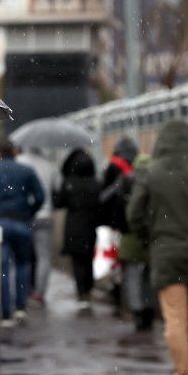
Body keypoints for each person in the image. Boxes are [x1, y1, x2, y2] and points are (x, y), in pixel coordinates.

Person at [127, 121, 188, 375]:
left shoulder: (152, 172)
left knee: (175, 318)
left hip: (167, 252)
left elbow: (134, 214)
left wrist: (152, 237)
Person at [0, 140, 44, 327]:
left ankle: (5, 314)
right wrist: (28, 211)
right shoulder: (27, 171)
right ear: (15, 151)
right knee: (22, 264)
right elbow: (40, 197)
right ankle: (21, 307)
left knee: (2, 269)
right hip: (21, 221)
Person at [54, 149, 101, 308]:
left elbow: (58, 202)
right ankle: (88, 288)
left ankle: (82, 292)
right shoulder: (96, 183)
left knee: (77, 261)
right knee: (88, 258)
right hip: (91, 225)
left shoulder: (69, 182)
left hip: (73, 225)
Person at [17, 146, 60, 304]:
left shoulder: (20, 162)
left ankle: (24, 290)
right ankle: (40, 292)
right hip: (45, 215)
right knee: (44, 256)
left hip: (25, 215)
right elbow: (57, 189)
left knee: (24, 256)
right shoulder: (50, 165)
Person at [101, 137, 138, 313]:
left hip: (113, 222)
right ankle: (120, 293)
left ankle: (116, 292)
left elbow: (104, 197)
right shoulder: (132, 170)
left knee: (114, 258)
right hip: (127, 224)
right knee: (123, 261)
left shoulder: (112, 167)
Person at [118, 154, 154, 331]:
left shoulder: (126, 180)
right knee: (149, 277)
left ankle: (137, 311)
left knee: (133, 277)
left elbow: (122, 210)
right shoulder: (158, 180)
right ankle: (149, 311)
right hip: (153, 238)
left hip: (130, 237)